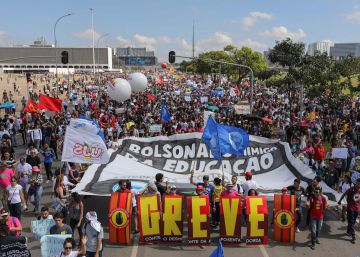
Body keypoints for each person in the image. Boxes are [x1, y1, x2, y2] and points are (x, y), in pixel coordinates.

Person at [337, 178, 360, 244]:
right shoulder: (351, 189)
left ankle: (348, 231)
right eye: (358, 183)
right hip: (350, 208)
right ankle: (353, 237)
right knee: (351, 221)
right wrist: (339, 201)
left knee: (352, 222)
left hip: (357, 209)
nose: (359, 185)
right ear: (356, 183)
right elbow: (344, 194)